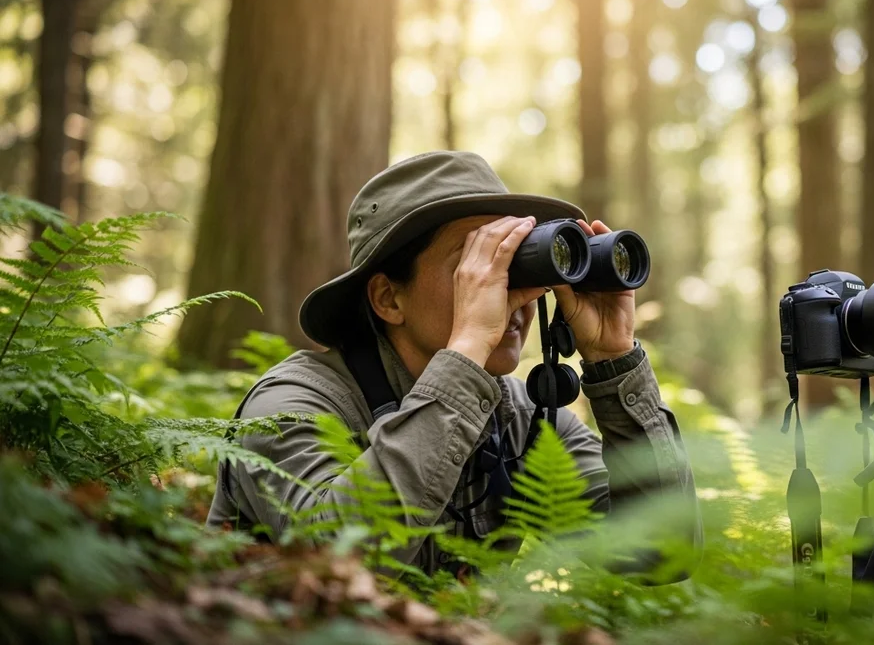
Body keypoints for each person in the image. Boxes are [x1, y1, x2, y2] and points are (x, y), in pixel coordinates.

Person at [206, 151, 701, 582]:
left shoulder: (524, 419)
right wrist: (466, 351)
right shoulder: (291, 405)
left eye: (516, 263)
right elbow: (338, 558)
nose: (508, 291)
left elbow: (659, 555)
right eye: (477, 265)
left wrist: (615, 363)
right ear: (388, 297)